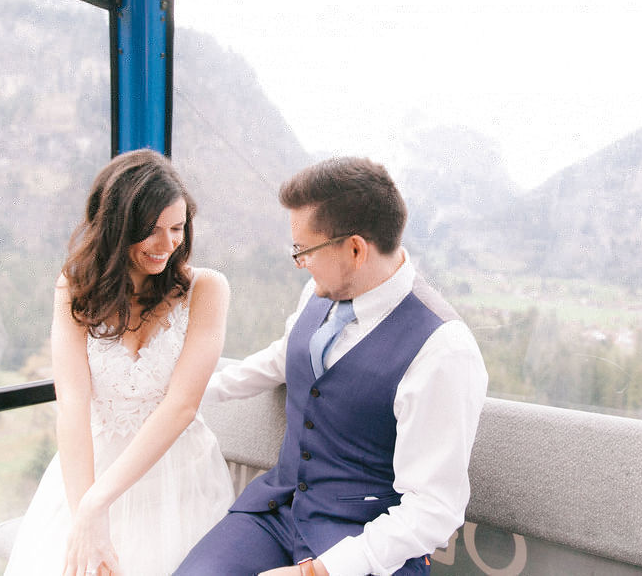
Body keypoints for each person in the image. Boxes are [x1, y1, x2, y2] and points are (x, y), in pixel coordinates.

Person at [175, 156, 488, 576]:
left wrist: (317, 571)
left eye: (304, 250)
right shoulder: (320, 290)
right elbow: (283, 358)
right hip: (276, 512)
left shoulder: (444, 351)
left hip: (366, 544)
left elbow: (434, 509)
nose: (299, 261)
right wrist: (189, 393)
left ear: (355, 249)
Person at [4, 149, 235, 576]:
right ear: (116, 227)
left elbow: (182, 406)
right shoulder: (74, 287)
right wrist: (86, 513)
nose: (168, 245)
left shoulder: (207, 289)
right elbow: (72, 406)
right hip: (86, 471)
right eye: (152, 231)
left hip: (175, 476)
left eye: (178, 228)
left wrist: (98, 502)